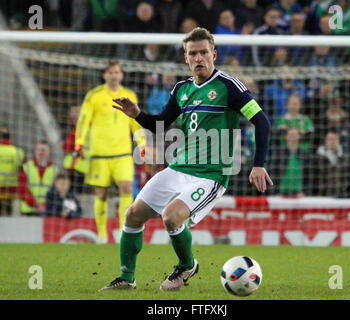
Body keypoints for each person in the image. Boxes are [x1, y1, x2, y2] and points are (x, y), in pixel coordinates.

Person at [101, 27, 273, 291]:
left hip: (210, 175)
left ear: (213, 54)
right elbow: (160, 122)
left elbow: (261, 121)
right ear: (186, 58)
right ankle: (126, 278)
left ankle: (186, 265)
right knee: (133, 215)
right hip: (178, 167)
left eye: (204, 52)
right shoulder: (181, 89)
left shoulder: (229, 87)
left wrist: (258, 164)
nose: (199, 58)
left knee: (171, 217)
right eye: (193, 53)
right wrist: (137, 114)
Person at [74, 59, 146, 244]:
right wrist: (79, 143)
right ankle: (102, 235)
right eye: (110, 72)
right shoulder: (94, 95)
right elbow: (84, 120)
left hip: (122, 153)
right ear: (104, 74)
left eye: (117, 72)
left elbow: (135, 121)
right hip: (100, 153)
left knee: (127, 188)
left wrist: (142, 143)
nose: (114, 75)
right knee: (101, 194)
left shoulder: (129, 95)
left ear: (121, 75)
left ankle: (124, 233)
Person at [18, 141, 58, 216]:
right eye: (38, 150)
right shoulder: (26, 167)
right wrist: (35, 204)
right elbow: (22, 189)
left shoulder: (55, 170)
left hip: (47, 210)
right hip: (28, 210)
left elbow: (55, 191)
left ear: (49, 152)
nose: (40, 152)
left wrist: (44, 205)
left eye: (43, 150)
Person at [62, 105, 90, 194]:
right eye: (72, 112)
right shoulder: (74, 127)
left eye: (77, 112)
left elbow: (67, 146)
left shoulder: (84, 128)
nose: (74, 115)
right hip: (74, 169)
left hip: (82, 170)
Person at [0, 126, 24, 216]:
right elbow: (22, 169)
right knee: (9, 215)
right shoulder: (17, 152)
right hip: (11, 190)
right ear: (10, 138)